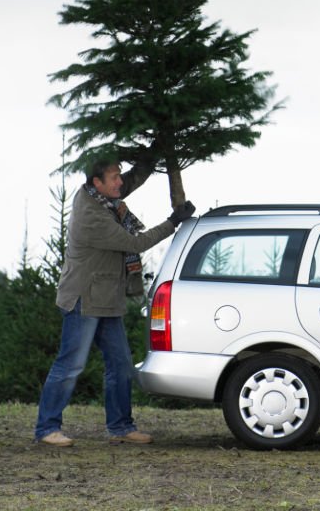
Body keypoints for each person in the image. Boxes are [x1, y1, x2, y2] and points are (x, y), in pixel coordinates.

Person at [34, 156, 195, 447]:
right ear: (97, 183)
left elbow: (130, 181)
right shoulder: (92, 216)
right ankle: (47, 428)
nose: (120, 182)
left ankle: (121, 426)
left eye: (119, 175)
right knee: (70, 364)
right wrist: (173, 222)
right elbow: (134, 243)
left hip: (107, 298)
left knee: (121, 365)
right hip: (84, 298)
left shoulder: (103, 198)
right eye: (114, 178)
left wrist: (153, 152)